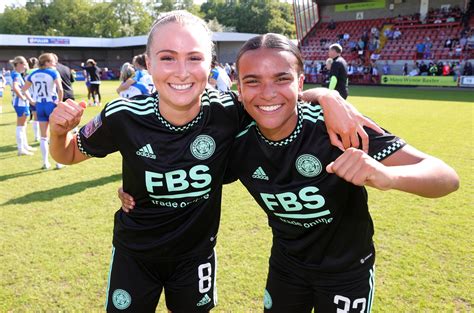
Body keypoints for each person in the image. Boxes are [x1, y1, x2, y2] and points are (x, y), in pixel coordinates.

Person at [49, 11, 380, 313]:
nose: (182, 71)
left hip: (195, 258)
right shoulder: (123, 115)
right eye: (167, 58)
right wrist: (57, 132)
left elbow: (273, 96)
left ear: (211, 64)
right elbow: (66, 153)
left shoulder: (228, 112)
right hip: (134, 254)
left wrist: (327, 95)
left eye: (194, 58)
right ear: (148, 63)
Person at [119, 33, 459, 312]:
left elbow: (445, 176)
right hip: (285, 269)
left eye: (281, 79)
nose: (267, 93)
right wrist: (131, 188)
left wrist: (389, 178)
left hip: (346, 273)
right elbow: (182, 169)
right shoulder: (236, 139)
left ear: (300, 81)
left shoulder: (336, 130)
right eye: (253, 81)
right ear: (239, 89)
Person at [22, 53, 64, 170]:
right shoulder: (53, 72)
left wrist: (31, 101)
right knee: (55, 135)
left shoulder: (34, 73)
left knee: (43, 137)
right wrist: (59, 102)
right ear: (46, 62)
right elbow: (60, 89)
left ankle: (45, 162)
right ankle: (58, 162)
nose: (54, 63)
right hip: (51, 104)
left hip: (39, 105)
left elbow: (24, 89)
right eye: (52, 61)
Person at [10, 56, 36, 156]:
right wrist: (23, 98)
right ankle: (21, 149)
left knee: (23, 125)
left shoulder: (16, 74)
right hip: (20, 104)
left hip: (20, 103)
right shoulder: (16, 74)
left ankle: (24, 145)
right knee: (20, 126)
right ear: (19, 64)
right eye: (24, 64)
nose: (25, 67)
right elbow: (16, 87)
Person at [26, 57, 40, 141]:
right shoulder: (38, 72)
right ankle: (45, 137)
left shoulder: (26, 73)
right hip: (41, 98)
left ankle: (36, 136)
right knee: (46, 118)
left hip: (31, 98)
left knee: (35, 118)